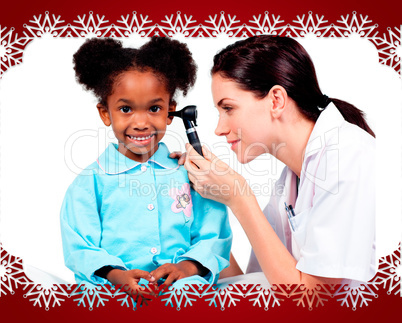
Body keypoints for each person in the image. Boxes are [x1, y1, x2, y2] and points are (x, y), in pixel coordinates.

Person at [181, 35, 376, 287]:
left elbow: (309, 301)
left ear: (276, 100)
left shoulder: (349, 156)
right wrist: (205, 219)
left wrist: (239, 197)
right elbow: (262, 284)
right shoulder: (288, 184)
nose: (219, 128)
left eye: (228, 108)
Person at [60, 37, 232, 295]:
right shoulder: (90, 181)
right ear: (105, 113)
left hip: (181, 285)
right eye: (126, 109)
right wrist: (116, 274)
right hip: (112, 286)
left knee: (194, 296)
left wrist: (185, 268)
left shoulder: (190, 174)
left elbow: (214, 235)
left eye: (154, 108)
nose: (141, 123)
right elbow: (79, 245)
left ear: (170, 111)